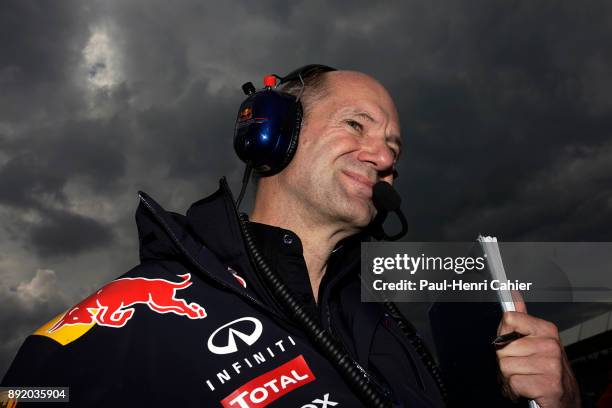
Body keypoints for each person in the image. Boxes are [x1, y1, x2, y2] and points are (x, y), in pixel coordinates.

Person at [1, 65, 580, 408]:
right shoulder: (129, 318)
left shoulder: (386, 325)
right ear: (273, 131)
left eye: (394, 149)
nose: (382, 156)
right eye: (356, 125)